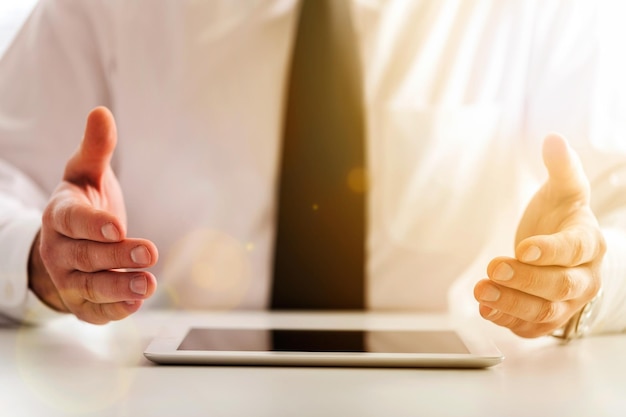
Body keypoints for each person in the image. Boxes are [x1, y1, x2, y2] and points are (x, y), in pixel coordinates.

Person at [0, 0, 625, 339]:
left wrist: (581, 281)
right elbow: (10, 182)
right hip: (160, 391)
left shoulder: (551, 13)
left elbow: (611, 215)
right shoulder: (96, 11)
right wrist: (39, 261)